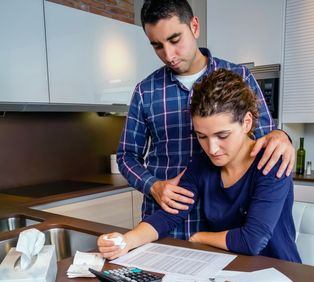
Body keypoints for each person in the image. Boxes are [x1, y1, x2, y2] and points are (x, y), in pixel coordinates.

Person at [116, 0, 295, 240]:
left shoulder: (239, 76)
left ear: (195, 27)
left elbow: (264, 137)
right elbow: (126, 156)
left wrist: (283, 136)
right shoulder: (145, 91)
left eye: (175, 39)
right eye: (157, 46)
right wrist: (153, 186)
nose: (168, 55)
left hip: (223, 226)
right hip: (165, 219)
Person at [98, 69, 301, 263]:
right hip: (228, 272)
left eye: (222, 135)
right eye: (202, 136)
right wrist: (126, 241)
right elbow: (169, 216)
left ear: (247, 122)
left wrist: (200, 237)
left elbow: (252, 240)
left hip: (282, 275)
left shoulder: (272, 163)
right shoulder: (202, 164)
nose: (212, 149)